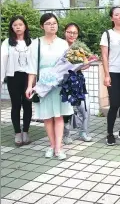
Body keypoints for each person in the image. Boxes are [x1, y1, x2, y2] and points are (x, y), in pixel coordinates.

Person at [25, 13, 74, 160]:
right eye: (48, 23)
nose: (52, 25)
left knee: (59, 116)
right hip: (44, 84)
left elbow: (69, 64)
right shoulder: (36, 43)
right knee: (47, 117)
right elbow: (32, 67)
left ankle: (58, 148)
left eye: (54, 23)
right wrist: (29, 86)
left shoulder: (63, 43)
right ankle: (51, 145)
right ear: (42, 26)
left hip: (59, 83)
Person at [100, 6, 120, 146]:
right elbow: (104, 56)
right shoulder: (107, 34)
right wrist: (107, 75)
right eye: (117, 14)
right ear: (112, 18)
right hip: (113, 72)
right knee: (114, 104)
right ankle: (109, 133)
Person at [1, 16, 33, 146]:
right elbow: (2, 62)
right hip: (13, 77)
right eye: (15, 25)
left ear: (25, 26)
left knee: (27, 104)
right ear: (12, 28)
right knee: (16, 105)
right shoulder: (7, 43)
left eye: (20, 24)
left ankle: (26, 131)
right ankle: (17, 133)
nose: (18, 27)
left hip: (28, 78)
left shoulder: (32, 42)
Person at [62, 23, 92, 144]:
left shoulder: (80, 47)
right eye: (69, 32)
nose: (72, 35)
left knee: (85, 107)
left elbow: (87, 63)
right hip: (64, 81)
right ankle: (66, 134)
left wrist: (84, 64)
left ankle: (83, 131)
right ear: (64, 32)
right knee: (67, 108)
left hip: (78, 80)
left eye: (74, 32)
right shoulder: (60, 46)